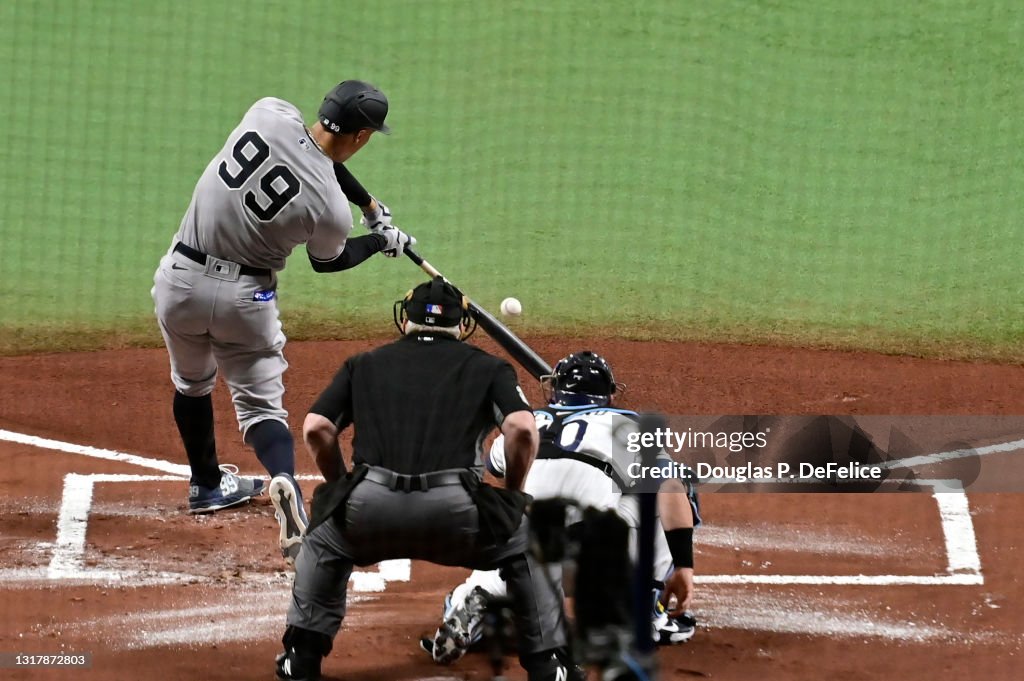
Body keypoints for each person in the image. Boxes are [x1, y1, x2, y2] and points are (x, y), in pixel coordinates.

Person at [151, 79, 415, 567]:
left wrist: (370, 206)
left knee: (191, 384)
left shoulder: (267, 111)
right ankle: (284, 481)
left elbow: (320, 155)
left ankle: (207, 484)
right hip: (247, 300)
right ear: (362, 137)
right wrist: (383, 240)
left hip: (180, 283)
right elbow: (329, 261)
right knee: (259, 406)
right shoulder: (329, 209)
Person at [274, 277, 582, 681]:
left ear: (406, 321)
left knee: (321, 537)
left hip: (369, 509)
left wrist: (340, 489)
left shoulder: (363, 364)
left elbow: (316, 428)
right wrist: (514, 498)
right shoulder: (488, 367)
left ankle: (301, 657)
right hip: (457, 514)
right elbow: (523, 430)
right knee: (531, 540)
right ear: (462, 325)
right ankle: (550, 666)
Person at [424, 350, 700, 665]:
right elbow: (671, 491)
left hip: (522, 563)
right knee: (670, 485)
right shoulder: (629, 425)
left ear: (554, 389)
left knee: (511, 516)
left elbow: (496, 465)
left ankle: (478, 595)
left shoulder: (526, 421)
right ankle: (646, 616)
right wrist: (684, 566)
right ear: (609, 394)